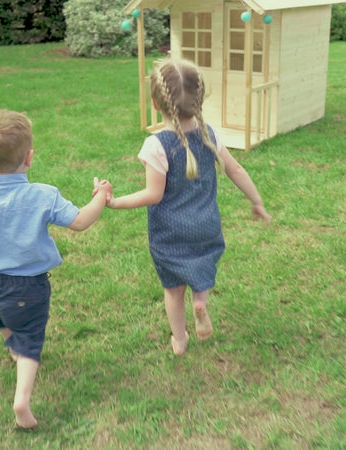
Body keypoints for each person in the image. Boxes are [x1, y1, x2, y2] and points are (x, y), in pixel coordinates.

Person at [0, 109, 112, 429]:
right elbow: (81, 222)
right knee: (32, 338)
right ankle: (22, 400)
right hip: (30, 286)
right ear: (29, 157)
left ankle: (14, 347)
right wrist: (101, 196)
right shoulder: (42, 195)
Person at [106, 58, 271, 355]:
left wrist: (115, 202)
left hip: (169, 233)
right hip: (206, 225)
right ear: (199, 100)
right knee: (202, 265)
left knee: (172, 289)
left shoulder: (156, 145)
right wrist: (256, 200)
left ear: (156, 105)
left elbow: (153, 195)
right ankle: (200, 302)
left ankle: (180, 339)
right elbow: (235, 170)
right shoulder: (210, 135)